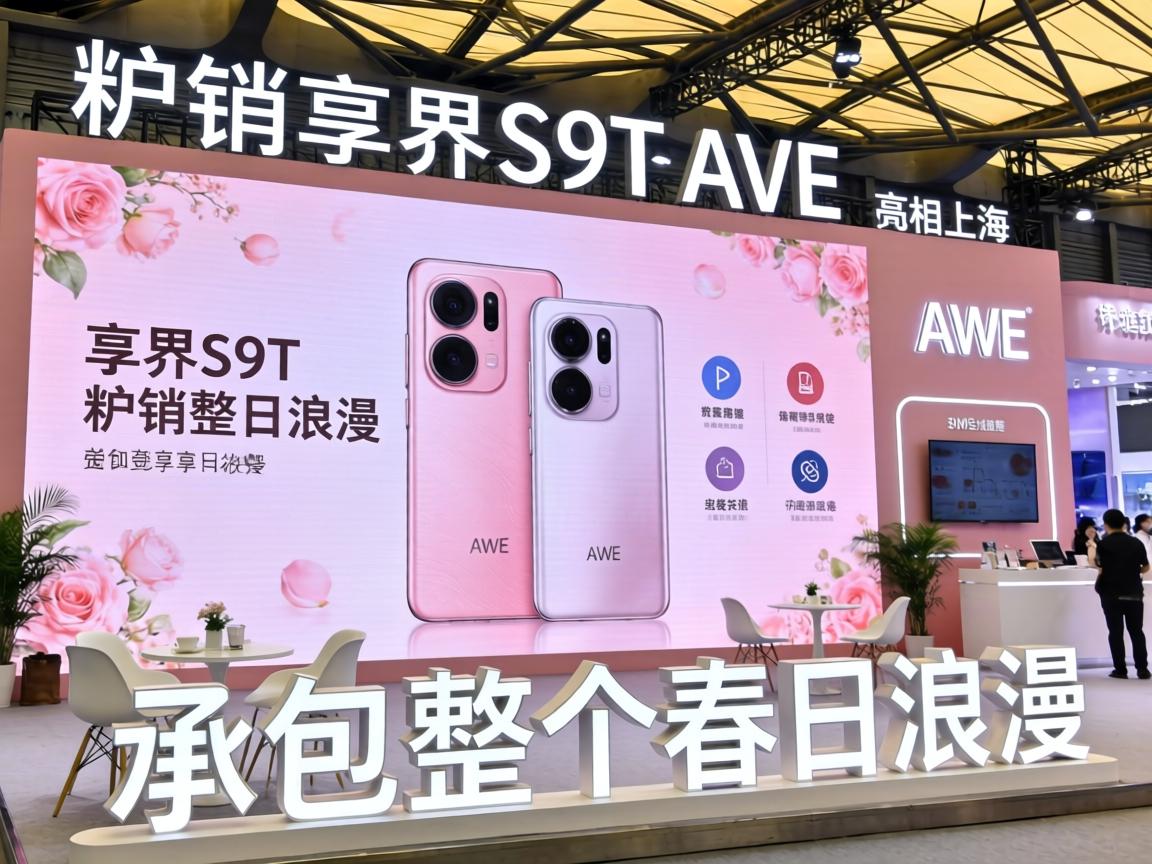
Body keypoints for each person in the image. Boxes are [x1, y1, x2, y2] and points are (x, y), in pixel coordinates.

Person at [1092, 508, 1151, 679]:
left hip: (1111, 594)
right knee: (1136, 631)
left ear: (1106, 524)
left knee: (1115, 632)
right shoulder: (1136, 542)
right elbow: (1146, 567)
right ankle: (1142, 669)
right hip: (1134, 593)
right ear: (1124, 523)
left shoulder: (1103, 544)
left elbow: (1099, 566)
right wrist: (1132, 570)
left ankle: (1120, 669)